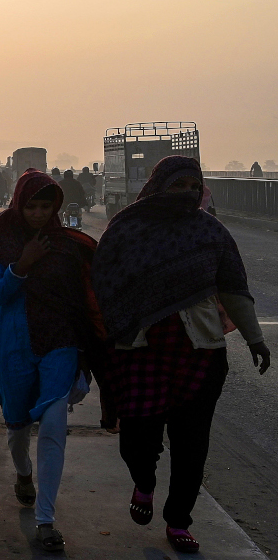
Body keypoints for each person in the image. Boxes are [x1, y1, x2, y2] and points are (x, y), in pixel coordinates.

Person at [92, 156, 271, 554]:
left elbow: (234, 288)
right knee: (137, 439)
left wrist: (255, 339)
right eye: (179, 186)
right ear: (159, 187)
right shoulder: (126, 229)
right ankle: (144, 482)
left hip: (201, 352)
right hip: (140, 351)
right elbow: (103, 283)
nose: (188, 194)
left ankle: (178, 521)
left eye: (195, 186)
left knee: (192, 443)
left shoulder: (211, 232)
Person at [0, 169, 104, 552]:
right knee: (17, 428)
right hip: (13, 342)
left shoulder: (67, 245)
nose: (38, 213)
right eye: (31, 206)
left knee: (52, 425)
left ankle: (46, 521)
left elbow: (85, 296)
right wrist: (23, 264)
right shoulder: (0, 240)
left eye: (45, 206)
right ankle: (23, 473)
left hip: (59, 343)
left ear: (56, 207)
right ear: (19, 203)